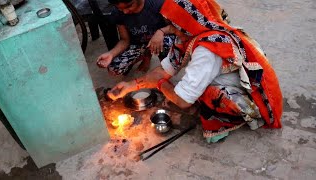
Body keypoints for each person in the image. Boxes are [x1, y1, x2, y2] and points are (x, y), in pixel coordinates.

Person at [108, 0, 283, 143]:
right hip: (218, 75)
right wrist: (131, 85)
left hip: (248, 96)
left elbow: (183, 101)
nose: (169, 27)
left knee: (203, 94)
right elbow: (164, 70)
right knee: (188, 85)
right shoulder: (189, 35)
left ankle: (234, 116)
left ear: (185, 22)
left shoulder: (208, 49)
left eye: (173, 23)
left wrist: (160, 84)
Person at [96, 0, 175, 75]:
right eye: (120, 8)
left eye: (129, 6)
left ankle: (163, 69)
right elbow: (124, 40)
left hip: (160, 39)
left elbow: (175, 28)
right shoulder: (117, 12)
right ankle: (146, 55)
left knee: (167, 47)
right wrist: (111, 54)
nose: (125, 11)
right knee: (114, 69)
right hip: (139, 44)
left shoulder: (158, 4)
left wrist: (161, 31)